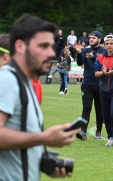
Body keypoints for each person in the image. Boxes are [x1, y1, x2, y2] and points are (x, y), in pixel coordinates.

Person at [0, 14, 79, 180]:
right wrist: (43, 138)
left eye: (51, 46)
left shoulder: (24, 82)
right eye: (43, 46)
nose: (51, 53)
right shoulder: (7, 79)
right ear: (20, 46)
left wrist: (41, 162)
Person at [74, 31, 104, 140]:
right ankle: (83, 132)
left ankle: (98, 131)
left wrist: (93, 58)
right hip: (87, 84)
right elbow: (79, 63)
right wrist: (79, 52)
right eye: (90, 38)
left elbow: (103, 66)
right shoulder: (86, 50)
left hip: (100, 85)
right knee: (86, 108)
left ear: (99, 40)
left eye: (94, 38)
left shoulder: (103, 51)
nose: (91, 39)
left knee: (99, 109)